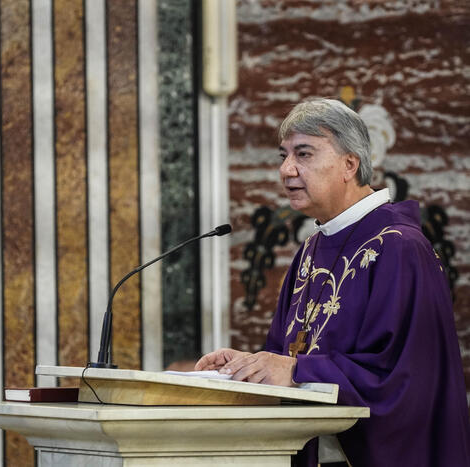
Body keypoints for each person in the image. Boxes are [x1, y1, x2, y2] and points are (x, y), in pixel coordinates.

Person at [196, 98, 470, 466]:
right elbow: (289, 354)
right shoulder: (312, 248)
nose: (286, 170)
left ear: (349, 164)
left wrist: (295, 371)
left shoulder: (399, 248)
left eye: (304, 154)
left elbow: (401, 379)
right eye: (284, 155)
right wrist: (249, 368)